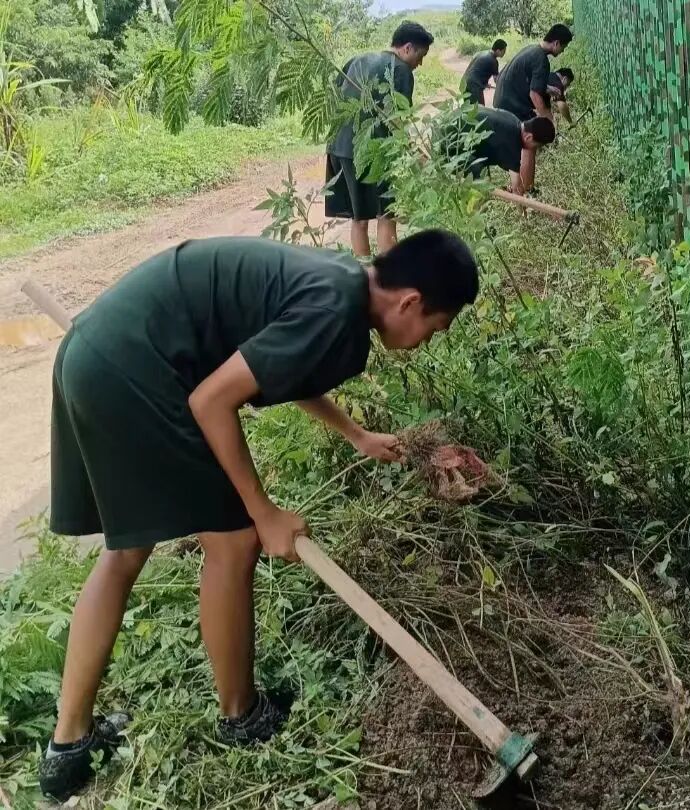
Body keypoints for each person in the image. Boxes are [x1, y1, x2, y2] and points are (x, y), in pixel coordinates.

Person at [37, 231, 480, 802]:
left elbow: (277, 366)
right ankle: (241, 715)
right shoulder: (334, 307)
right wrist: (263, 511)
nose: (425, 343)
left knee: (126, 553)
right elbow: (212, 401)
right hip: (136, 373)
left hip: (97, 353)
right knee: (235, 542)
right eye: (434, 329)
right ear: (410, 302)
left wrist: (355, 434)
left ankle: (66, 749)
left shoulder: (341, 283)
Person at [326, 21, 434, 258]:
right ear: (407, 48)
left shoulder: (357, 59)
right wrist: (416, 156)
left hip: (339, 147)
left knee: (359, 219)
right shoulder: (401, 70)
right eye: (421, 55)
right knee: (387, 214)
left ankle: (364, 277)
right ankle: (390, 279)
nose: (420, 63)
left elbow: (334, 98)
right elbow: (397, 120)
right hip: (374, 152)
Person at [492, 24, 573, 196]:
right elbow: (535, 95)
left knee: (527, 141)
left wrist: (547, 89)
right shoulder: (541, 60)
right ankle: (526, 190)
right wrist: (549, 121)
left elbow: (533, 84)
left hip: (503, 98)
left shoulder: (532, 50)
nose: (563, 51)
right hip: (511, 104)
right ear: (557, 43)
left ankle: (524, 185)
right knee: (530, 145)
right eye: (564, 47)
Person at [440, 107, 556, 195]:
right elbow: (516, 187)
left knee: (483, 171)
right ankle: (474, 217)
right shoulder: (511, 141)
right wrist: (522, 214)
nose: (534, 150)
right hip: (447, 144)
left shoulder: (514, 121)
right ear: (528, 137)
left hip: (449, 124)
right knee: (482, 186)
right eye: (536, 146)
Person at [461, 39, 507, 106]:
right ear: (498, 50)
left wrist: (484, 83)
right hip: (474, 87)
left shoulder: (482, 53)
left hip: (464, 83)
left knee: (468, 109)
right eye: (504, 51)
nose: (504, 53)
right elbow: (497, 80)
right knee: (480, 110)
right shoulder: (493, 61)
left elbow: (476, 70)